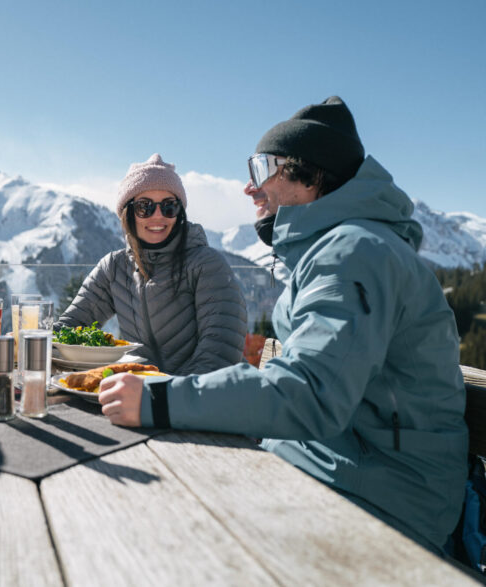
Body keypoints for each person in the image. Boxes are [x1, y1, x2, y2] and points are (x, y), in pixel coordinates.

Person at [98, 97, 468, 554]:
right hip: (329, 470)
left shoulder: (356, 253)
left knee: (154, 531)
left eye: (260, 170)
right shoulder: (341, 249)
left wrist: (159, 399)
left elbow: (309, 393)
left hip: (382, 498)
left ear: (310, 175)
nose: (249, 189)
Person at [55, 153, 247, 375]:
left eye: (169, 206)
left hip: (200, 398)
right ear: (128, 213)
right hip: (140, 393)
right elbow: (70, 326)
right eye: (144, 207)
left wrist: (168, 396)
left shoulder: (206, 264)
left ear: (179, 213)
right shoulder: (114, 267)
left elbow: (220, 353)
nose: (158, 216)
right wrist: (28, 341)